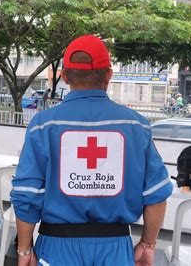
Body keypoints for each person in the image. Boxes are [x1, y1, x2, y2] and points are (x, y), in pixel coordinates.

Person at [10, 35, 172, 266]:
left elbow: (27, 193)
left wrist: (25, 250)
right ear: (108, 75)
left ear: (64, 76)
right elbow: (156, 194)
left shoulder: (43, 125)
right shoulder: (136, 126)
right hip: (116, 249)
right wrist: (148, 244)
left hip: (57, 247)